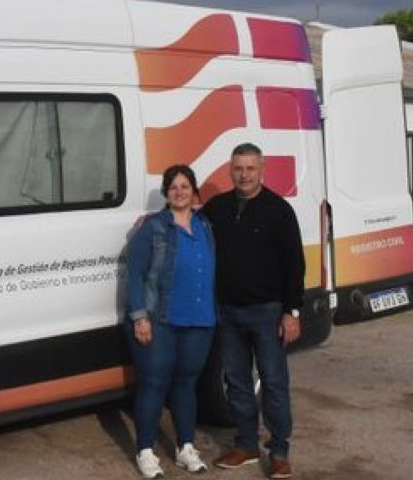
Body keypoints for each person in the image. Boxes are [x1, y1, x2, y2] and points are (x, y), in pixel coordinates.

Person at [201, 143, 304, 480]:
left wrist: (292, 312)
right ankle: (246, 445)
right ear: (230, 171)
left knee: (273, 382)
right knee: (237, 382)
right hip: (228, 313)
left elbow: (295, 265)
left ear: (262, 170)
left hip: (267, 313)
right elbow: (188, 224)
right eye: (238, 168)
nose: (244, 175)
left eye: (250, 168)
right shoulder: (217, 208)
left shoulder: (279, 211)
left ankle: (279, 452)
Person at [124, 165, 216, 477]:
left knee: (186, 384)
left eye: (185, 186)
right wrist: (139, 317)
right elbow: (135, 274)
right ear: (166, 192)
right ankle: (145, 450)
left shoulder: (205, 225)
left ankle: (185, 447)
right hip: (159, 319)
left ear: (194, 191)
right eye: (173, 187)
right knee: (154, 383)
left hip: (199, 318)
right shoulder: (152, 227)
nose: (179, 192)